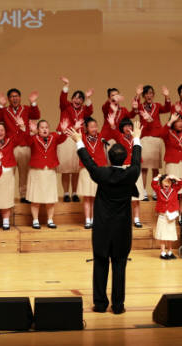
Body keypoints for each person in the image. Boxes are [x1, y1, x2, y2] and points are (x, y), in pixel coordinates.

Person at [66, 119, 142, 315]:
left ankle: (100, 304)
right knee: (120, 267)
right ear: (123, 159)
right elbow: (135, 161)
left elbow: (89, 163)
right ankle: (118, 306)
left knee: (100, 265)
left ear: (108, 158)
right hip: (122, 230)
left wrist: (78, 140)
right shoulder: (131, 174)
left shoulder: (101, 173)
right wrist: (137, 139)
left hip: (101, 229)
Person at [0, 88, 40, 203]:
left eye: (16, 96)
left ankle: (24, 195)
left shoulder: (26, 109)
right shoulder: (5, 110)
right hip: (10, 146)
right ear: (8, 99)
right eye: (12, 96)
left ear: (20, 97)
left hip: (24, 145)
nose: (15, 98)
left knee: (24, 172)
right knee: (8, 172)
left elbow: (36, 115)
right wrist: (0, 105)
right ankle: (7, 196)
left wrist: (33, 102)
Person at [26, 119, 69, 229]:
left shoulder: (54, 136)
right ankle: (35, 220)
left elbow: (62, 139)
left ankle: (50, 220)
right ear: (38, 129)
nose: (45, 129)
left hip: (50, 170)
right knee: (35, 198)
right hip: (36, 171)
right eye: (42, 127)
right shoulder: (33, 138)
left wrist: (64, 131)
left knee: (50, 198)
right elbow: (26, 141)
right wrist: (30, 131)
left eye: (46, 127)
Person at [57, 77, 93, 202]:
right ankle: (66, 193)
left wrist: (88, 98)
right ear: (72, 99)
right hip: (66, 139)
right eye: (76, 97)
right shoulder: (66, 106)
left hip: (78, 140)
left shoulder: (84, 109)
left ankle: (75, 193)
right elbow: (62, 99)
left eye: (80, 98)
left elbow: (90, 110)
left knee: (76, 169)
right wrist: (66, 85)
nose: (77, 100)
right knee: (66, 169)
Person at [105, 117, 146, 227]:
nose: (129, 128)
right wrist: (113, 124)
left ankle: (137, 219)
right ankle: (123, 218)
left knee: (136, 197)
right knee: (123, 196)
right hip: (123, 167)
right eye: (126, 126)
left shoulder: (136, 137)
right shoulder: (120, 136)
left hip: (134, 167)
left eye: (130, 126)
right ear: (122, 128)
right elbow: (113, 132)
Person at [132, 84, 171, 192]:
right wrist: (137, 95)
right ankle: (143, 191)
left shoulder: (157, 106)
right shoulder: (141, 106)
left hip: (156, 138)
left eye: (151, 93)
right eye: (146, 94)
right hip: (144, 138)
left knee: (155, 167)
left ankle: (155, 190)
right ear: (144, 96)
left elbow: (167, 108)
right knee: (143, 167)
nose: (149, 96)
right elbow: (135, 107)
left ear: (153, 95)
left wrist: (167, 96)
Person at [75, 117, 107, 229]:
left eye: (95, 126)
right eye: (91, 126)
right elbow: (74, 134)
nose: (94, 128)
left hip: (99, 169)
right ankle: (87, 220)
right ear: (86, 128)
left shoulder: (101, 136)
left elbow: (111, 131)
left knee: (96, 196)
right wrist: (77, 126)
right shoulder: (82, 137)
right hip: (86, 169)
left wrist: (112, 124)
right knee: (87, 197)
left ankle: (94, 219)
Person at [152, 173, 182, 260]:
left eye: (169, 181)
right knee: (162, 235)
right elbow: (153, 184)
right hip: (162, 215)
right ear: (161, 182)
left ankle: (170, 251)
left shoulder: (174, 189)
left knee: (170, 235)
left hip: (171, 216)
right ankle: (162, 252)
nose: (167, 183)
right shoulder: (158, 189)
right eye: (165, 181)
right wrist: (157, 177)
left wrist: (175, 177)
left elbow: (181, 183)